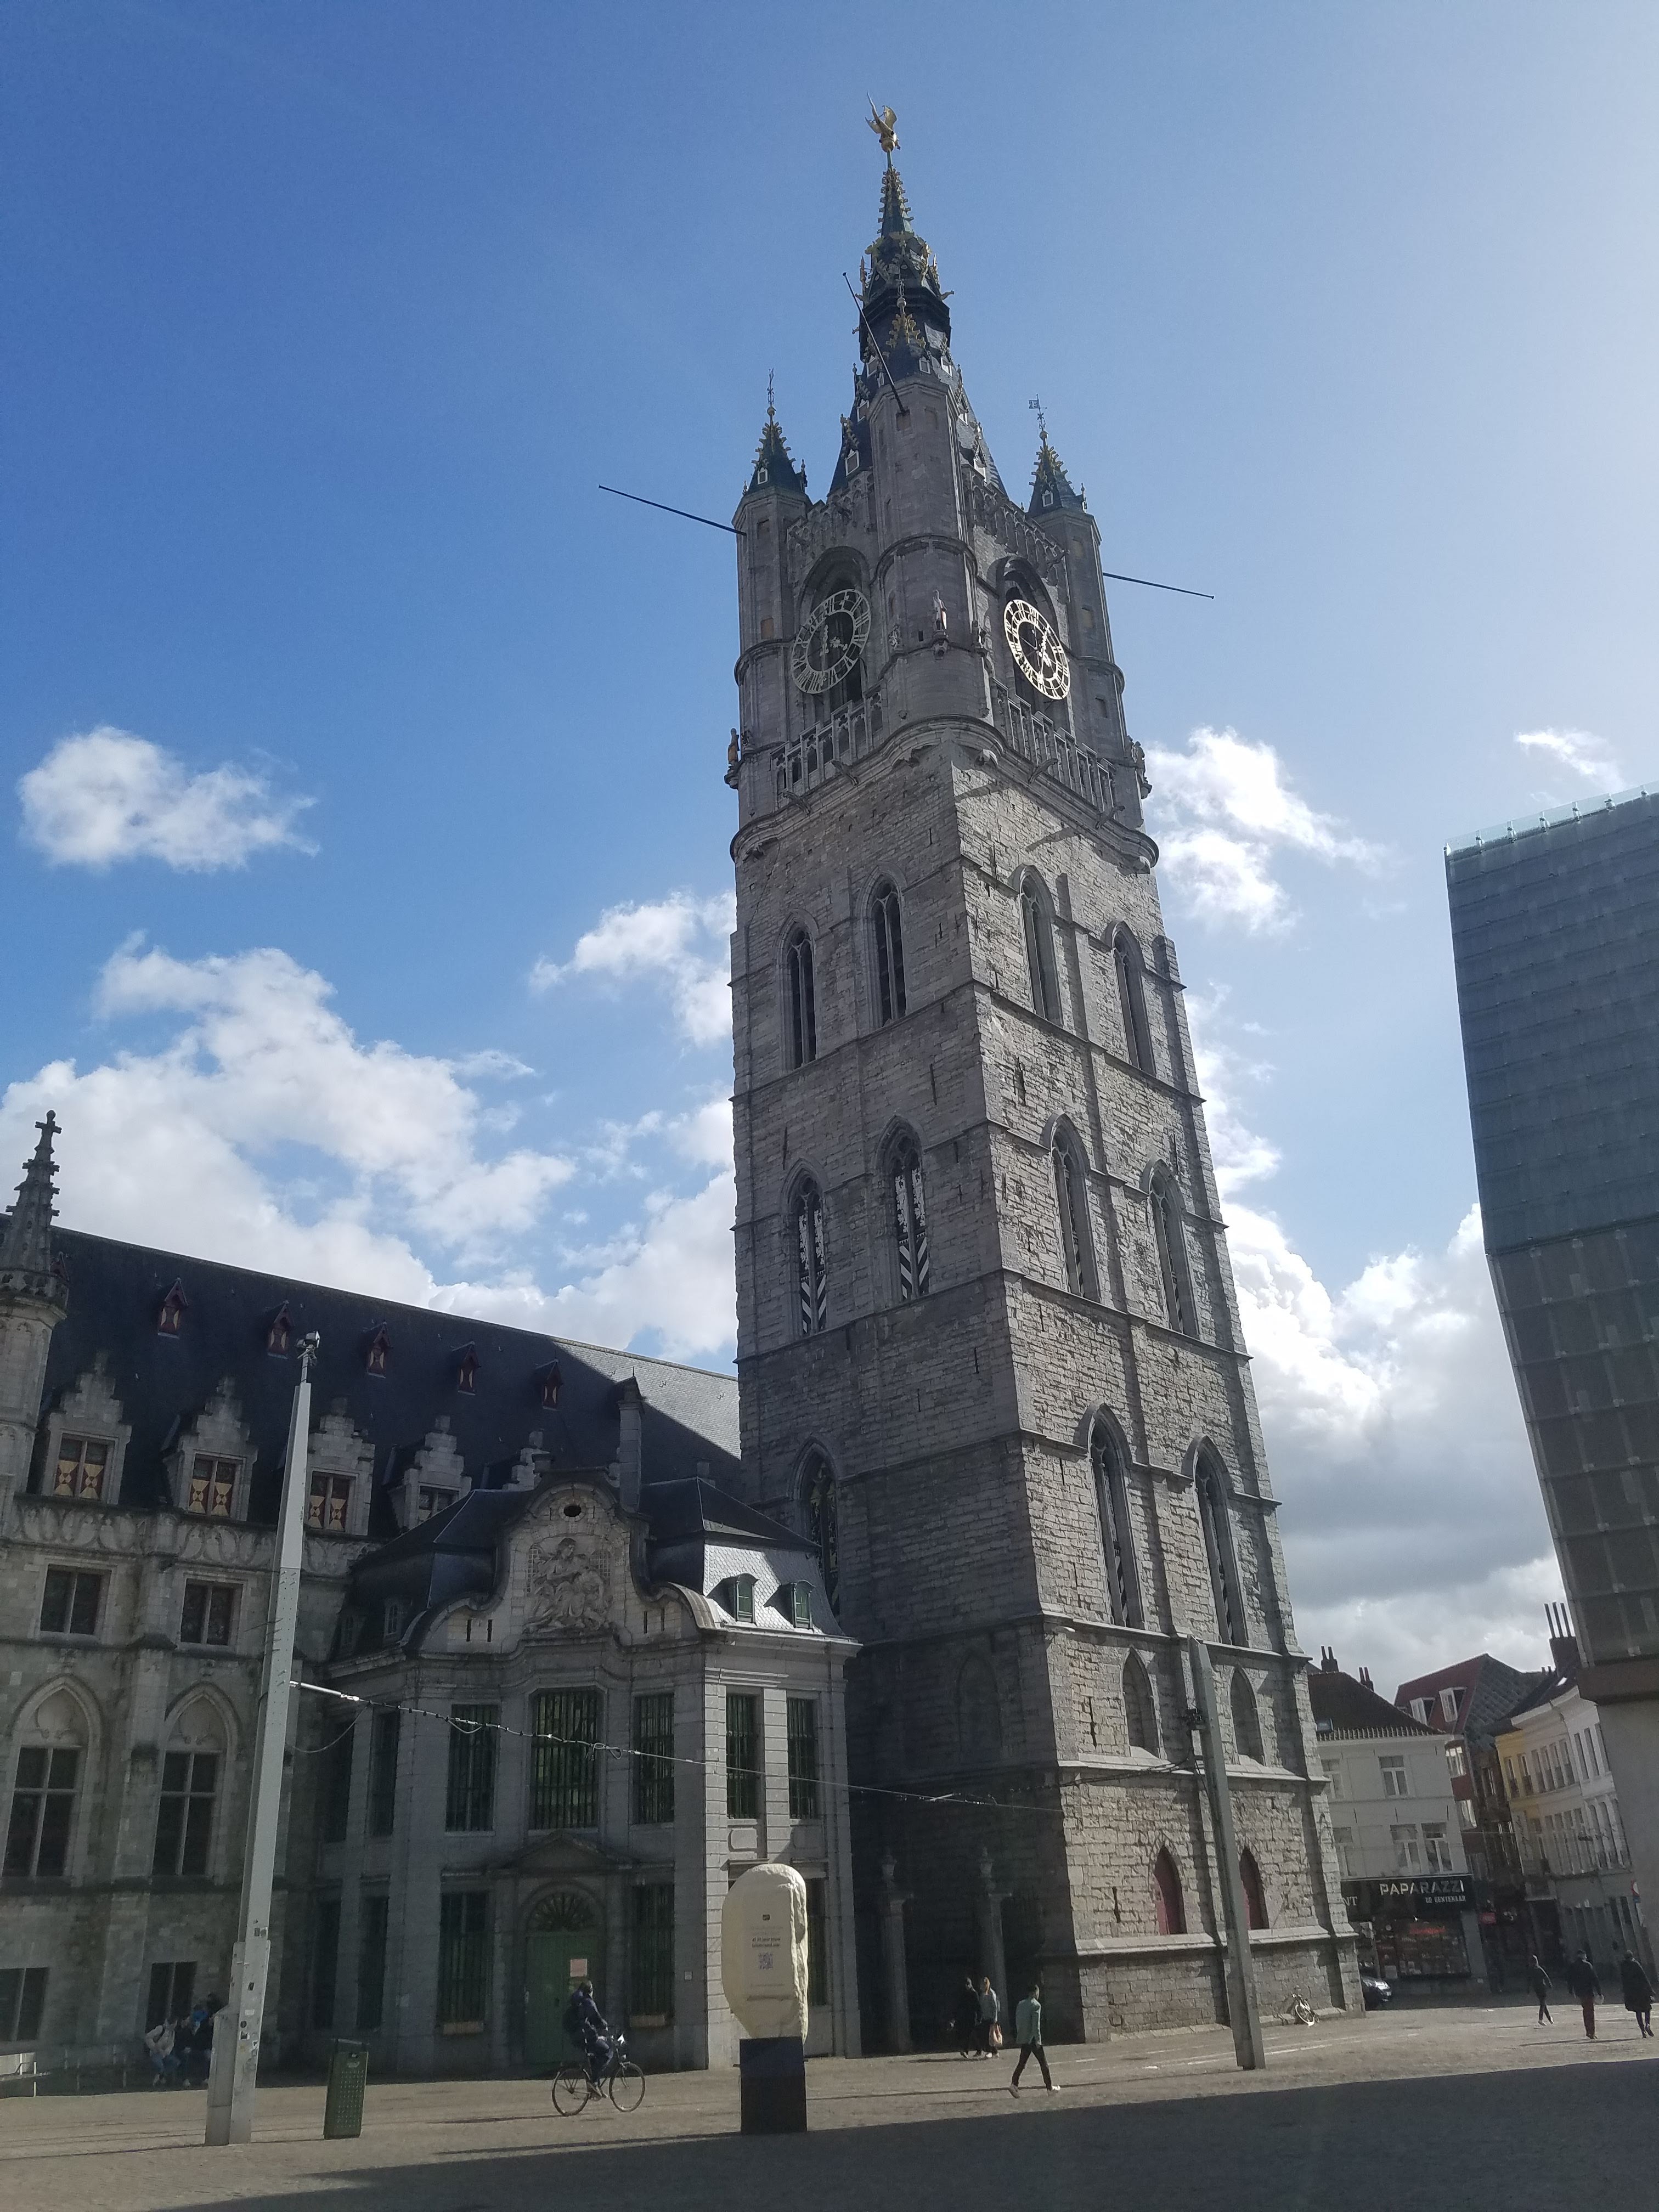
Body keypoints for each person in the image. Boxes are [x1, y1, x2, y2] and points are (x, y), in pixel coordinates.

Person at [1008, 1983, 1056, 2096]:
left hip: (1024, 2038)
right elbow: (1036, 2025)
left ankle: (1014, 2084)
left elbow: (1019, 2021)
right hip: (1033, 2039)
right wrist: (1038, 2040)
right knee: (1043, 2064)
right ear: (1035, 1993)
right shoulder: (1036, 2005)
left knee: (1022, 2063)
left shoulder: (1021, 2004)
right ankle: (1050, 2088)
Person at [569, 1979, 612, 2089]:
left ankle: (594, 2088)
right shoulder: (588, 2002)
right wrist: (606, 2026)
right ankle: (593, 2082)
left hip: (578, 2036)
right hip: (586, 2037)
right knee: (607, 2053)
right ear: (591, 1991)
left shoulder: (580, 2002)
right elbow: (597, 2018)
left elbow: (589, 2020)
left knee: (595, 2055)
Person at [1618, 1949, 1654, 2038]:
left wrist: (1625, 1991)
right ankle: (1648, 2024)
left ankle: (1642, 2031)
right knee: (1647, 2009)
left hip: (1631, 1992)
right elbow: (1644, 1977)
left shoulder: (1623, 1966)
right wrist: (1650, 1990)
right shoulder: (1636, 1964)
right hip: (1641, 1991)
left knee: (1638, 2011)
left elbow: (1623, 1980)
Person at [1566, 1949, 1601, 2040]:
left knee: (1586, 2011)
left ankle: (1588, 2031)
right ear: (1582, 1955)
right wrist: (1599, 1992)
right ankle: (1592, 2032)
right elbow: (1595, 1979)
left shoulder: (1573, 1966)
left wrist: (1571, 1990)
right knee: (1590, 2012)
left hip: (1580, 1992)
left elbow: (1570, 1979)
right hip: (1589, 1991)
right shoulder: (1588, 1965)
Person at [951, 1975, 980, 2058]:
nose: (967, 1986)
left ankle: (966, 2051)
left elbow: (978, 2007)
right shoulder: (964, 1994)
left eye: (968, 1984)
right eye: (966, 1984)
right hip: (966, 2017)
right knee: (971, 2035)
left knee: (969, 2035)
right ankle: (978, 2049)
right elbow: (961, 2006)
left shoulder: (974, 1994)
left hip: (972, 2017)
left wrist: (979, 2018)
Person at [143, 2017, 177, 2087]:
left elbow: (171, 2044)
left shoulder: (172, 2033)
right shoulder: (160, 2029)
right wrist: (155, 2048)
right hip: (155, 2053)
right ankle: (159, 2079)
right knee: (159, 2064)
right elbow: (148, 2037)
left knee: (175, 2062)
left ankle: (161, 2076)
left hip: (165, 2054)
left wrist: (166, 2052)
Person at [975, 1976, 1001, 2059]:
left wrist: (995, 2019)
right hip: (985, 2017)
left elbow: (995, 2007)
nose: (981, 1987)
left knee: (991, 2036)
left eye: (982, 1985)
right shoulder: (983, 1994)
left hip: (991, 2018)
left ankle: (991, 2051)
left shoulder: (991, 1994)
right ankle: (993, 2051)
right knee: (986, 2035)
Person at [1527, 1953, 1553, 2025]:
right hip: (1542, 1987)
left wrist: (1528, 1990)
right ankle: (1541, 2019)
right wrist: (1550, 1985)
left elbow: (1528, 1981)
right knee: (1542, 2003)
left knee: (1543, 2002)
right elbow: (1546, 1977)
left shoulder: (1530, 1970)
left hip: (1536, 1988)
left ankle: (1549, 2018)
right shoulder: (1539, 1969)